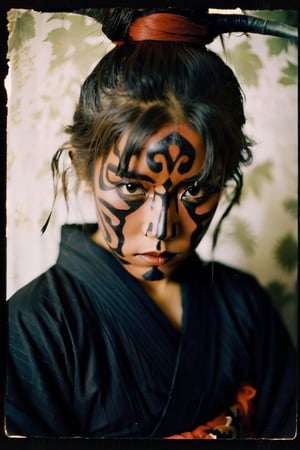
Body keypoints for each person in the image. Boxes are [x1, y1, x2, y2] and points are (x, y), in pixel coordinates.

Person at [6, 8, 297, 439]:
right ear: (83, 167)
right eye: (131, 188)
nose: (161, 229)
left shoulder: (245, 307)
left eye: (195, 191)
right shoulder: (32, 326)